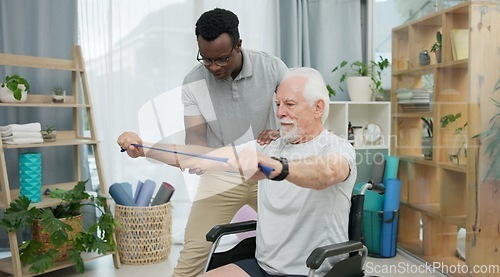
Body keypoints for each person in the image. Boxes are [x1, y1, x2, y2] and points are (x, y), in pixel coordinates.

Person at [118, 67, 357, 276]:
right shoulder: (269, 146)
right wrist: (145, 148)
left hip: (312, 271)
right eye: (278, 104)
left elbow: (327, 172)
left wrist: (280, 168)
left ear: (318, 108)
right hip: (263, 267)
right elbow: (197, 157)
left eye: (290, 104)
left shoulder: (336, 147)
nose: (280, 112)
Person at [175, 7, 288, 276]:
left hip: (269, 171)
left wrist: (282, 133)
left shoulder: (272, 67)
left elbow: (298, 115)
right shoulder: (193, 82)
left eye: (222, 59)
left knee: (296, 244)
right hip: (223, 174)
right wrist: (197, 157)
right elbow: (195, 138)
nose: (214, 67)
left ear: (239, 45)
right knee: (193, 253)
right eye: (206, 59)